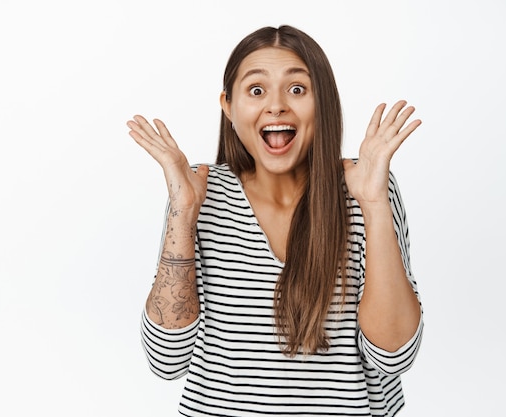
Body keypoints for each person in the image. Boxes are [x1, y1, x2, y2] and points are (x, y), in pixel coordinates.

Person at [127, 25, 423, 417]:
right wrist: (183, 213)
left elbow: (393, 356)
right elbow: (167, 360)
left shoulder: (365, 186)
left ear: (325, 104)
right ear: (229, 106)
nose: (277, 106)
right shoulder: (198, 191)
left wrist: (373, 205)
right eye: (256, 90)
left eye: (298, 89)